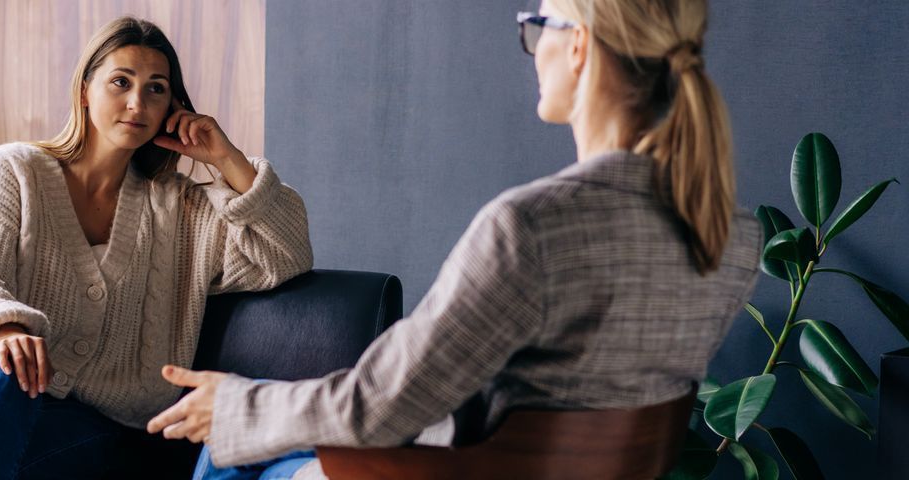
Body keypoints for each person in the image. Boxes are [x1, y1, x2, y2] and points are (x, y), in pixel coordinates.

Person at [147, 1, 760, 478]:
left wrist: (234, 405)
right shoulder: (730, 236)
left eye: (536, 24)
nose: (532, 46)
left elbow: (379, 405)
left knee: (229, 453)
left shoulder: (531, 227)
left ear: (578, 45)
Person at [0, 16, 313, 480]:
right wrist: (7, 330)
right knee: (1, 380)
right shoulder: (14, 170)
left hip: (83, 429)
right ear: (85, 89)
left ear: (171, 107)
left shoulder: (181, 210)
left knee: (109, 455)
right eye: (121, 82)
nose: (137, 102)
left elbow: (286, 253)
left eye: (156, 89)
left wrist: (226, 158)